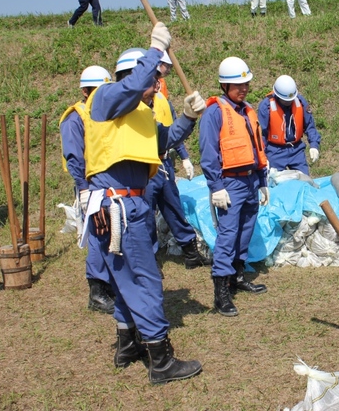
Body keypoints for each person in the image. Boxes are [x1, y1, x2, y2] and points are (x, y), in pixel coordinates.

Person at [82, 22, 206, 384]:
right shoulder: (104, 98)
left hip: (127, 205)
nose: (156, 87)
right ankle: (161, 360)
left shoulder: (138, 115)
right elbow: (135, 84)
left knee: (124, 280)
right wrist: (156, 51)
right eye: (153, 80)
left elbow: (164, 140)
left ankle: (127, 344)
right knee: (145, 279)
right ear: (133, 76)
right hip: (118, 206)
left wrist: (189, 116)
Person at [199, 56, 269, 317]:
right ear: (224, 86)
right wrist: (216, 186)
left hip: (251, 179)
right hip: (229, 183)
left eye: (246, 84)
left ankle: (236, 277)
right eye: (237, 85)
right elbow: (208, 153)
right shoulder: (215, 112)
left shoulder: (247, 110)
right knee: (227, 236)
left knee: (246, 230)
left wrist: (262, 182)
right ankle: (221, 293)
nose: (244, 89)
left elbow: (256, 148)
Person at [59, 66, 116, 314]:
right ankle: (97, 292)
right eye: (95, 91)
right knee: (98, 235)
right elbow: (74, 157)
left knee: (110, 232)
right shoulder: (76, 118)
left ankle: (109, 284)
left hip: (109, 182)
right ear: (84, 91)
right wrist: (83, 190)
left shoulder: (104, 113)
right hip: (91, 185)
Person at [144, 51, 206, 269]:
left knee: (174, 208)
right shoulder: (127, 110)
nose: (157, 84)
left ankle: (191, 253)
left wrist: (185, 157)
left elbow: (170, 133)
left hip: (164, 163)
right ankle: (150, 261)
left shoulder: (161, 102)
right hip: (144, 169)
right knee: (146, 216)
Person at [258, 75, 321, 175]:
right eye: (286, 100)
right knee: (275, 184)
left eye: (291, 100)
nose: (289, 102)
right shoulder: (266, 107)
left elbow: (310, 125)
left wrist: (314, 145)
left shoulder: (300, 102)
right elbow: (262, 135)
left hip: (296, 150)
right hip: (275, 151)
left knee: (304, 181)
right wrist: (262, 158)